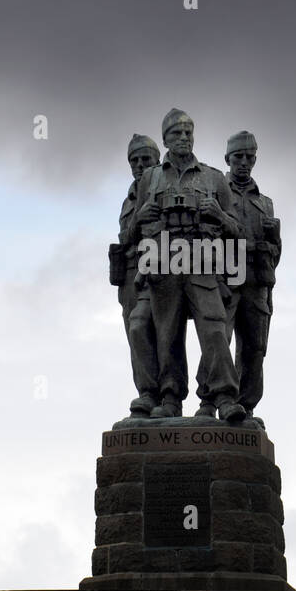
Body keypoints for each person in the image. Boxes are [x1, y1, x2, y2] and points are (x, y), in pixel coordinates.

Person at [128, 108, 247, 421]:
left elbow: (236, 230)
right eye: (176, 133)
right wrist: (144, 219)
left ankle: (223, 397)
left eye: (188, 133)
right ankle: (169, 397)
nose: (183, 138)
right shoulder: (151, 178)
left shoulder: (213, 177)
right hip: (164, 265)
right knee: (167, 334)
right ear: (165, 138)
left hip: (202, 264)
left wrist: (219, 215)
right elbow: (136, 230)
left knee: (214, 330)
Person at [194, 131, 280, 427]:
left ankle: (246, 406)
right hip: (227, 277)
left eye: (250, 157)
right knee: (218, 337)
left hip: (258, 281)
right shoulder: (217, 194)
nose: (244, 162)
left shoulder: (265, 203)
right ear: (227, 159)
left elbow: (276, 253)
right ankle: (208, 399)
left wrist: (274, 238)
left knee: (255, 347)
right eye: (238, 157)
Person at [112, 134, 186, 416]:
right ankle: (147, 392)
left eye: (145, 159)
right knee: (137, 330)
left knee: (166, 334)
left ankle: (170, 394)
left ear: (157, 160)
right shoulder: (130, 200)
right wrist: (138, 219)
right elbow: (125, 238)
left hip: (168, 268)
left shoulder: (167, 185)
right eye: (135, 160)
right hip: (133, 275)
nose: (140, 165)